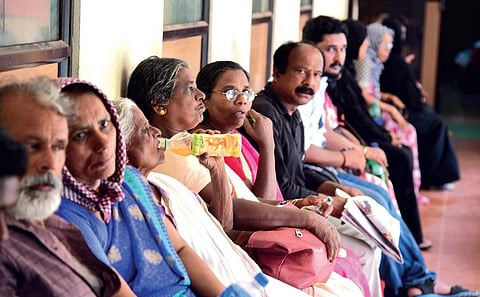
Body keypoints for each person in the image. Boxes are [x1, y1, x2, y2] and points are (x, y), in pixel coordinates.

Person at [126, 56, 373, 296]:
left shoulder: (194, 145)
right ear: (159, 105)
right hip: (243, 260)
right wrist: (302, 218)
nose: (199, 95)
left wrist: (296, 205)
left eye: (247, 92)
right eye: (190, 89)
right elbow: (230, 217)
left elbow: (236, 207)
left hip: (242, 259)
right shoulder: (171, 157)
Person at [302, 15, 479, 297]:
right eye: (330, 49)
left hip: (328, 162)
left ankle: (418, 280)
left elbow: (325, 132)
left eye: (343, 49)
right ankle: (410, 285)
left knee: (383, 195)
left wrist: (360, 149)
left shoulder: (323, 83)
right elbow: (306, 151)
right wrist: (354, 155)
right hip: (313, 175)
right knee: (377, 199)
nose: (338, 57)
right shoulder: (306, 88)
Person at [54, 78, 228, 297]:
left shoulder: (130, 182)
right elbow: (112, 288)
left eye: (105, 125)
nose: (102, 142)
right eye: (80, 135)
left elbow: (180, 248)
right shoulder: (64, 217)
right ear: (54, 145)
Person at [0, 76, 134, 297]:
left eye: (58, 146)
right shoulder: (6, 246)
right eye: (32, 146)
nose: (50, 164)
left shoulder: (53, 224)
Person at [352, 20, 427, 206]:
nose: (388, 48)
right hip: (371, 115)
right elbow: (364, 95)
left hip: (374, 111)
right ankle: (411, 193)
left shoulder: (374, 63)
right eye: (384, 44)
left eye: (390, 44)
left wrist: (388, 97)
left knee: (409, 132)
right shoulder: (364, 63)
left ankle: (414, 191)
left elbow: (372, 92)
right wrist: (391, 108)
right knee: (407, 133)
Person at [381, 16, 460, 190]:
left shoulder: (396, 60)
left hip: (404, 108)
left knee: (433, 117)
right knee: (436, 124)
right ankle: (432, 177)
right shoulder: (393, 62)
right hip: (400, 111)